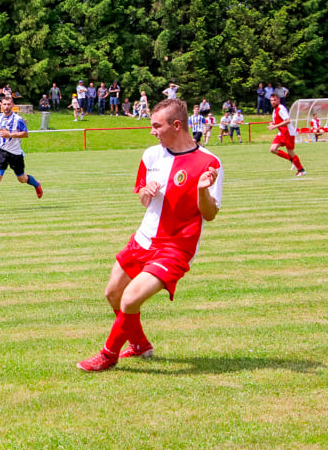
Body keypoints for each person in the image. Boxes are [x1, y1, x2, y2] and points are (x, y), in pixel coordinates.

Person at [77, 99, 223, 372]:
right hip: (143, 238)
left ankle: (108, 355)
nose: (152, 131)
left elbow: (210, 214)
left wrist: (203, 189)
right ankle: (141, 345)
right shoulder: (151, 155)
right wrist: (147, 192)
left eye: (157, 125)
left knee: (130, 298)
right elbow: (144, 199)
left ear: (176, 125)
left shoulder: (209, 162)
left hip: (176, 247)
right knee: (113, 294)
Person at [0, 97, 43, 211]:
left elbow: (26, 134)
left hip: (15, 154)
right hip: (1, 152)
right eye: (4, 104)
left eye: (8, 104)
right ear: (1, 105)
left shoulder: (17, 119)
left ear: (12, 105)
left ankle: (36, 184)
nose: (6, 106)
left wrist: (10, 135)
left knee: (21, 178)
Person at [268, 93, 306, 176]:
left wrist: (274, 126)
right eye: (271, 100)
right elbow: (279, 121)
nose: (273, 102)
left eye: (274, 100)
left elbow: (288, 120)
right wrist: (273, 123)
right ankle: (291, 160)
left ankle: (301, 170)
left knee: (291, 152)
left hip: (288, 132)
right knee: (272, 149)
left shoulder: (281, 108)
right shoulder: (275, 110)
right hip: (282, 132)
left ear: (279, 100)